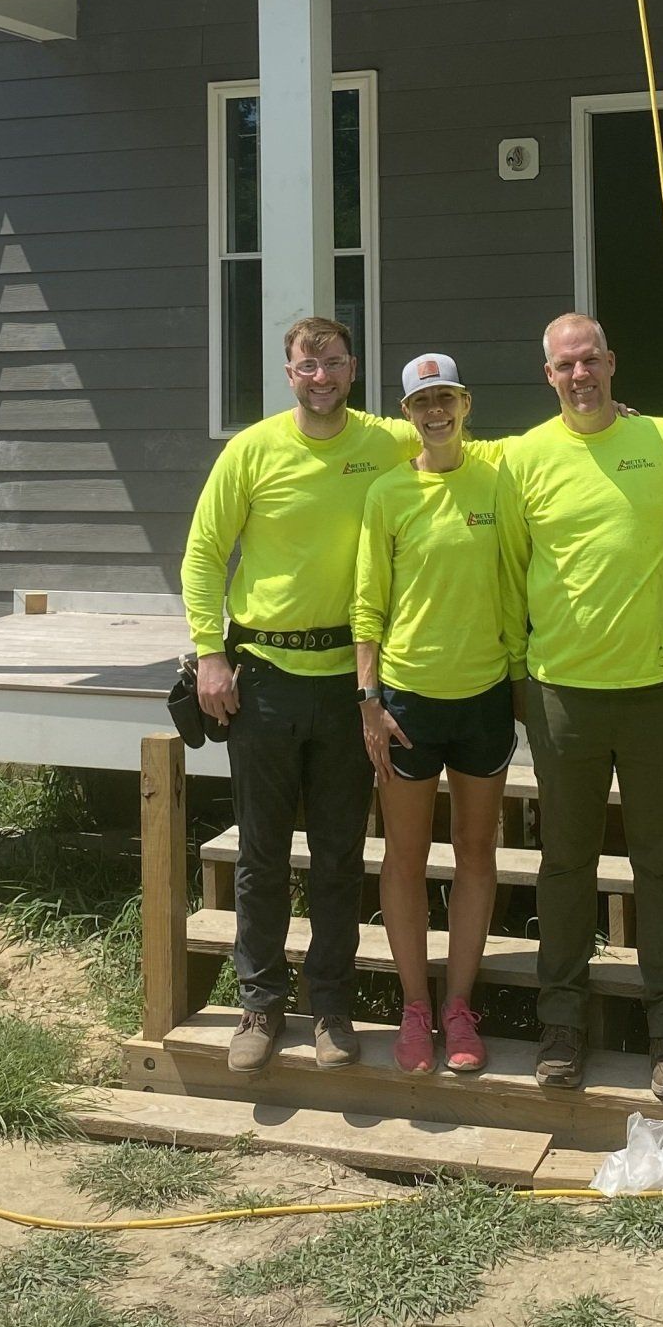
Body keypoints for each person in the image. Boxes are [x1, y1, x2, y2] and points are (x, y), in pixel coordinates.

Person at [179, 314, 415, 1076]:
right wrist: (209, 654)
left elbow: (474, 453)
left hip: (350, 685)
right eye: (307, 366)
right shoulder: (252, 451)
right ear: (289, 374)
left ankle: (333, 1008)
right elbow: (205, 553)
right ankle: (260, 1003)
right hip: (266, 684)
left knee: (342, 855)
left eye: (335, 363)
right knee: (261, 854)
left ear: (353, 369)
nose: (322, 377)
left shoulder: (387, 442)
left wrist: (613, 420)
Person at [495, 312, 663, 1097]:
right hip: (562, 696)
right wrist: (520, 674)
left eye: (590, 360)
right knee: (564, 865)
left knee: (661, 864)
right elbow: (510, 572)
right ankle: (561, 1025)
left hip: (660, 690)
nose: (579, 375)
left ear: (612, 363)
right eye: (564, 366)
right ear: (546, 374)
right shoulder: (524, 458)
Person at [352, 353, 513, 1078]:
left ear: (465, 402)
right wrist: (369, 699)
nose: (435, 412)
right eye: (422, 402)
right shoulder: (388, 492)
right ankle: (415, 1006)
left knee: (476, 853)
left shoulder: (498, 479)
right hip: (408, 701)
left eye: (445, 397)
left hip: (483, 694)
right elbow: (367, 603)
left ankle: (460, 1005)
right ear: (407, 412)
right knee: (406, 858)